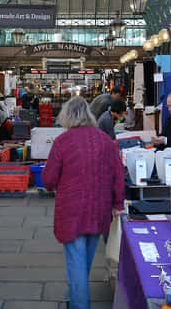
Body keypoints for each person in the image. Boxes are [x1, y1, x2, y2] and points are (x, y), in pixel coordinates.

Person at [42, 97, 124, 309]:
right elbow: (118, 175)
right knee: (84, 259)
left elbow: (49, 180)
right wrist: (118, 204)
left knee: (76, 261)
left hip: (72, 211)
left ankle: (79, 303)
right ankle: (74, 295)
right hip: (99, 208)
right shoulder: (106, 140)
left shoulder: (62, 142)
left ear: (67, 116)